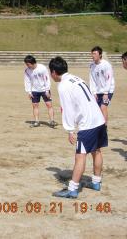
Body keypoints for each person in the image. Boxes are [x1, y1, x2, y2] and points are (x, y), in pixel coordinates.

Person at [49, 57, 107, 199]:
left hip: (88, 125)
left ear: (54, 72)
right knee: (96, 150)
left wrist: (70, 130)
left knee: (80, 156)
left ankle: (73, 189)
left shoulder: (63, 85)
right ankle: (96, 182)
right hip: (99, 119)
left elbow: (67, 109)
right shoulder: (76, 78)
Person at [23, 55, 56, 128]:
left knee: (49, 105)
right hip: (34, 90)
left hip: (44, 90)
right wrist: (29, 92)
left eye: (28, 64)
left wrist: (47, 90)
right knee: (35, 106)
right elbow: (27, 81)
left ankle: (52, 121)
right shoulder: (27, 71)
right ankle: (36, 121)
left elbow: (47, 79)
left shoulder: (42, 68)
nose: (27, 66)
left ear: (32, 63)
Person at [89, 46, 115, 124]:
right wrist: (93, 92)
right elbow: (92, 80)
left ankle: (104, 127)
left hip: (108, 90)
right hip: (97, 91)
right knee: (97, 109)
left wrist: (106, 93)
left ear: (100, 55)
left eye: (95, 53)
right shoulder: (92, 66)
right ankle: (100, 126)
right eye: (92, 54)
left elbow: (109, 79)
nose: (93, 55)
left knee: (103, 107)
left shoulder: (106, 65)